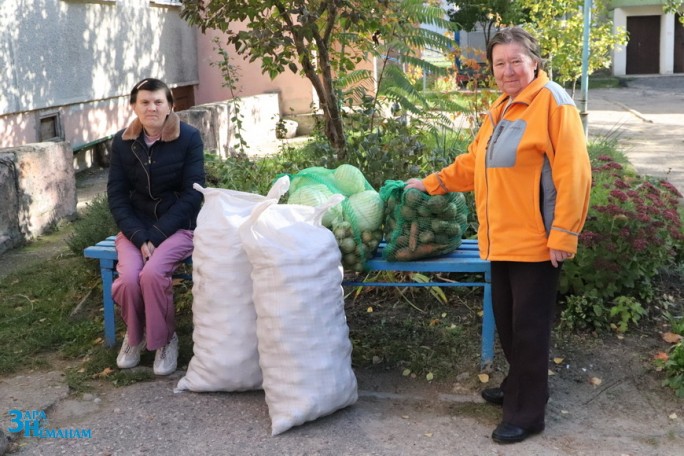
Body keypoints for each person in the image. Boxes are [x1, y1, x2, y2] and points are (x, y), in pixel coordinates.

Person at [406, 27, 591, 443]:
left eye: (516, 62)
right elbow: (476, 163)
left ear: (534, 61)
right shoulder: (503, 107)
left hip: (538, 241)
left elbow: (574, 173)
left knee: (529, 328)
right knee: (509, 324)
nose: (508, 71)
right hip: (501, 238)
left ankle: (527, 413)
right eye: (500, 64)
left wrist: (564, 233)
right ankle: (517, 386)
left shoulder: (553, 105)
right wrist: (432, 183)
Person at [107, 78, 205, 376]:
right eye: (145, 102)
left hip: (177, 228)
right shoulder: (122, 142)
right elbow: (117, 195)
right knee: (128, 280)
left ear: (170, 106)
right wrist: (139, 236)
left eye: (158, 101)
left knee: (151, 275)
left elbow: (193, 194)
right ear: (134, 106)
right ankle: (135, 337)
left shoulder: (189, 138)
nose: (152, 107)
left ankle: (165, 339)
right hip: (135, 230)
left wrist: (157, 235)